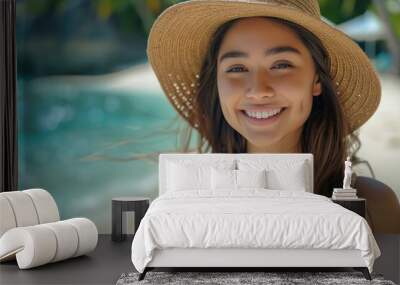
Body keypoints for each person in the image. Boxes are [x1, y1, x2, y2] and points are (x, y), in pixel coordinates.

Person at [146, 0, 400, 233]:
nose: (258, 90)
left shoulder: (373, 207)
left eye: (281, 65)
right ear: (217, 85)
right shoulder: (188, 204)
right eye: (237, 68)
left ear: (317, 79)